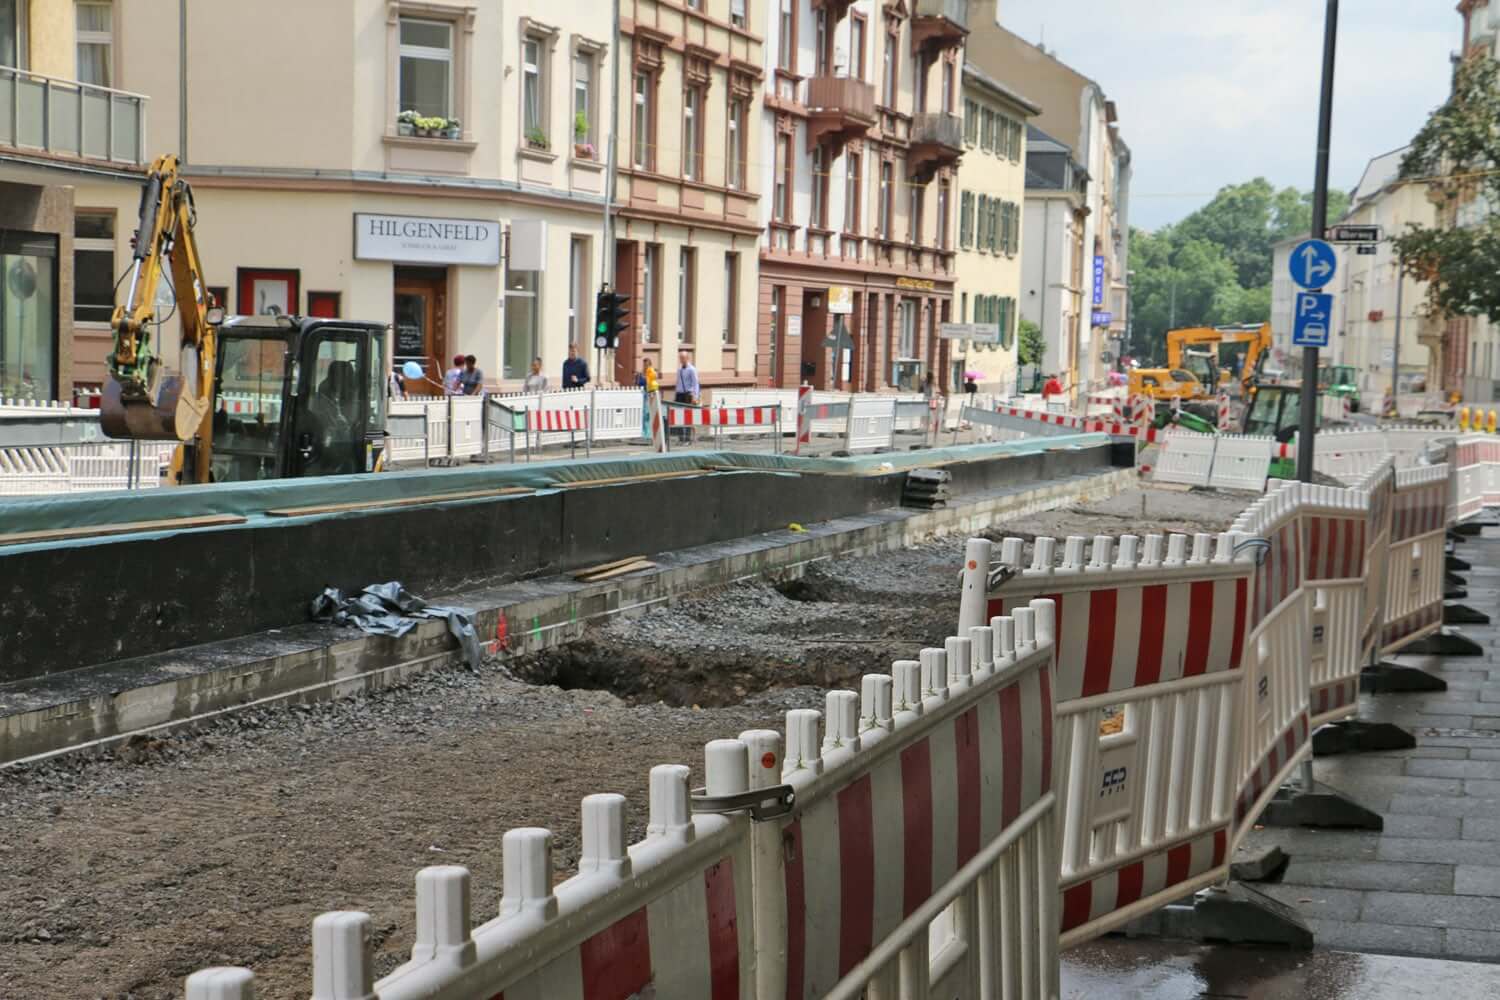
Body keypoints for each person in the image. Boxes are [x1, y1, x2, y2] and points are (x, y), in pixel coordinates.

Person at [674, 350, 699, 442]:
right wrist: (676, 393)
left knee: (688, 416)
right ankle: (681, 438)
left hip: (688, 394)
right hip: (679, 394)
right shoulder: (679, 369)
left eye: (683, 358)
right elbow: (678, 382)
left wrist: (695, 396)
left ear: (687, 358)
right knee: (678, 416)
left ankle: (688, 439)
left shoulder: (692, 369)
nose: (681, 360)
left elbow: (695, 383)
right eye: (680, 358)